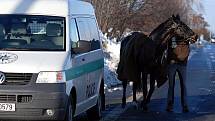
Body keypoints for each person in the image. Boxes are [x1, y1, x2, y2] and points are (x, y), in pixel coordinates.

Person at [166, 35, 190, 113]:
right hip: (179, 64)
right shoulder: (185, 37)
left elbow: (172, 48)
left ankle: (171, 105)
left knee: (173, 85)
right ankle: (184, 105)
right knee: (182, 85)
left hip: (174, 63)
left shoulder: (174, 37)